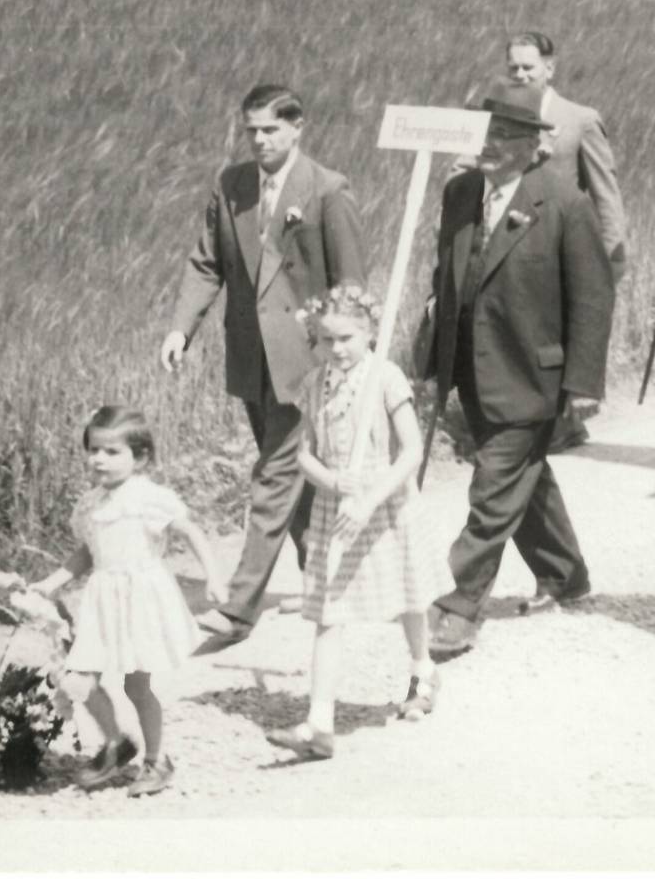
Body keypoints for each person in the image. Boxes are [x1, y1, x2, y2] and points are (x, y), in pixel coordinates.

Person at [163, 83, 367, 647]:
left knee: (274, 476)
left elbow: (351, 285)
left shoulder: (327, 191)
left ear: (298, 126)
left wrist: (343, 356)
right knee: (292, 475)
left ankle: (239, 609)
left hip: (306, 363)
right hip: (250, 356)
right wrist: (182, 328)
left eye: (270, 129)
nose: (259, 140)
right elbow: (206, 263)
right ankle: (326, 575)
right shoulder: (231, 186)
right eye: (251, 130)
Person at [422, 81, 613, 658]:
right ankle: (566, 574)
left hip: (533, 375)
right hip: (471, 371)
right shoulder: (460, 194)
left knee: (494, 488)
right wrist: (433, 356)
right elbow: (445, 278)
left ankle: (460, 603)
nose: (491, 144)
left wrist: (582, 383)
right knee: (525, 477)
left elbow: (592, 298)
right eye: (485, 131)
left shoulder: (563, 202)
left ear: (533, 145)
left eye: (505, 135)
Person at [266, 286, 438, 760]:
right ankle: (319, 723)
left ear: (368, 333)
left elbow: (412, 452)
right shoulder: (315, 384)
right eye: (326, 340)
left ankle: (423, 669)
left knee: (408, 595)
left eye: (347, 338)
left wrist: (368, 497)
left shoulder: (386, 378)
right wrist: (336, 483)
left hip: (385, 504)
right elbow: (304, 455)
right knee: (328, 611)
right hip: (335, 508)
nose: (337, 349)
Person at [30, 406, 221, 798]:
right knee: (78, 679)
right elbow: (87, 552)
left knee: (137, 686)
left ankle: (156, 760)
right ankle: (117, 742)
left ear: (141, 457)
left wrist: (214, 576)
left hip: (141, 600)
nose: (99, 458)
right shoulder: (90, 504)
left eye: (112, 452)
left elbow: (191, 533)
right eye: (94, 450)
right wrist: (51, 582)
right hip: (102, 598)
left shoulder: (149, 498)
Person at [504, 31, 627, 450]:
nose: (520, 75)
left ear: (550, 68)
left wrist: (612, 254)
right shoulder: (496, 117)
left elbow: (605, 193)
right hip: (511, 246)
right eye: (513, 67)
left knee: (558, 332)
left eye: (528, 67)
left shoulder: (579, 119)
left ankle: (562, 422)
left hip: (562, 244)